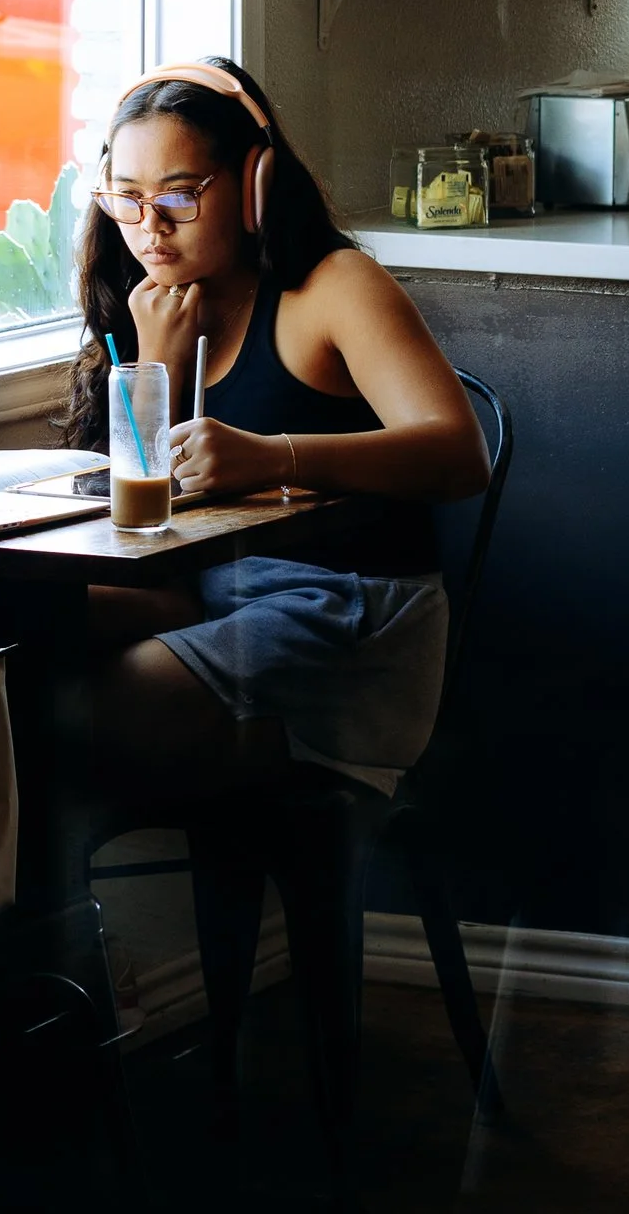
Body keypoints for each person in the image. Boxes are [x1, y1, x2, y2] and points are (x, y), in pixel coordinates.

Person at [56, 56, 487, 872]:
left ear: (255, 181)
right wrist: (157, 366)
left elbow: (460, 455)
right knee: (7, 638)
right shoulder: (149, 306)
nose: (152, 227)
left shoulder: (329, 288)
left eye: (181, 194)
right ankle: (53, 963)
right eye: (128, 199)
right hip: (213, 592)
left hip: (352, 613)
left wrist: (274, 457)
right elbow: (136, 519)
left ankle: (86, 952)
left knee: (96, 709)